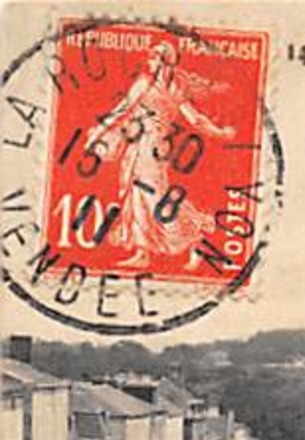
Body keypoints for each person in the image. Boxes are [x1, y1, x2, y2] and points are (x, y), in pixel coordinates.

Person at [85, 41, 235, 269]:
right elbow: (121, 110)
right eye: (150, 59)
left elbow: (195, 118)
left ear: (166, 62)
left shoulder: (174, 88)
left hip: (154, 149)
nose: (150, 63)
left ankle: (195, 239)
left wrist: (220, 132)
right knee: (136, 197)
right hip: (138, 146)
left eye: (154, 59)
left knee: (156, 198)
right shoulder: (146, 84)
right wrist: (98, 130)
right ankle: (142, 251)